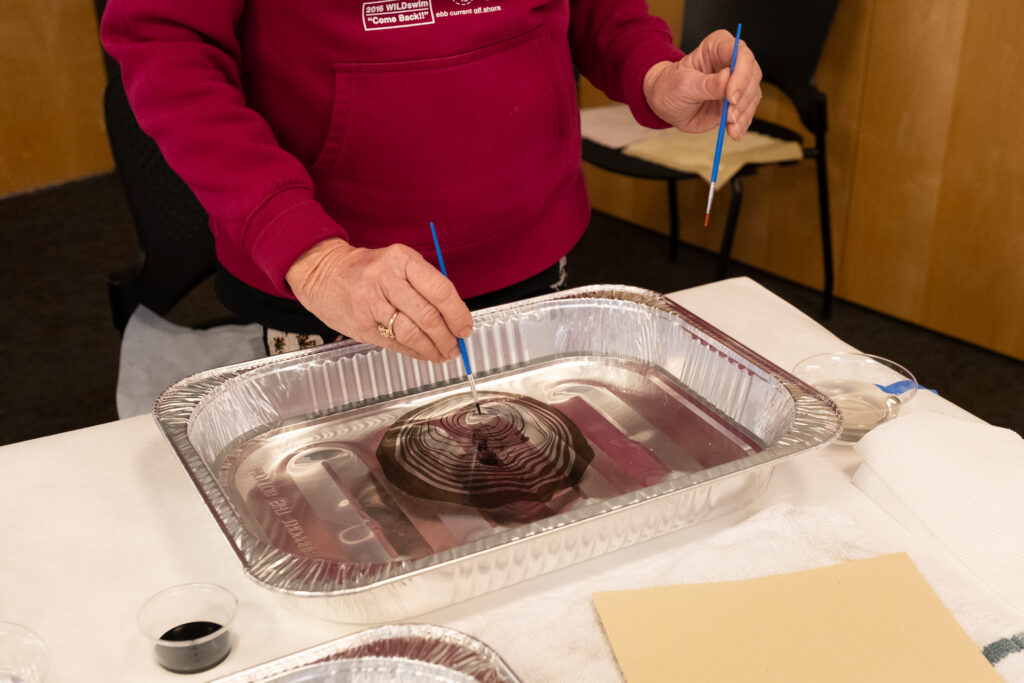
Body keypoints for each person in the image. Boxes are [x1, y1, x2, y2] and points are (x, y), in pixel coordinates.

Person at [100, 1, 762, 363]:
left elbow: (597, 10)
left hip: (531, 249)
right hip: (337, 282)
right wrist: (312, 254)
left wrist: (654, 74)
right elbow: (166, 44)